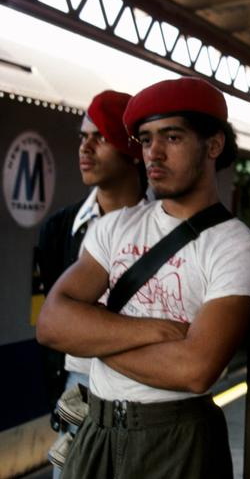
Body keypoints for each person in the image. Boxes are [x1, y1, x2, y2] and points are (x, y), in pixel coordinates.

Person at [36, 77, 250, 479]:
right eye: (146, 140)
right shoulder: (114, 228)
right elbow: (51, 324)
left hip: (175, 437)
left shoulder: (236, 248)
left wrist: (91, 338)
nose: (154, 153)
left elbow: (195, 370)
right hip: (97, 430)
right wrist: (157, 331)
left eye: (172, 137)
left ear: (213, 145)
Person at [33, 90, 145, 474]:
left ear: (132, 150)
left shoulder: (165, 228)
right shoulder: (59, 229)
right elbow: (53, 320)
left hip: (142, 390)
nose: (85, 147)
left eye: (101, 137)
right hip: (76, 389)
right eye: (83, 137)